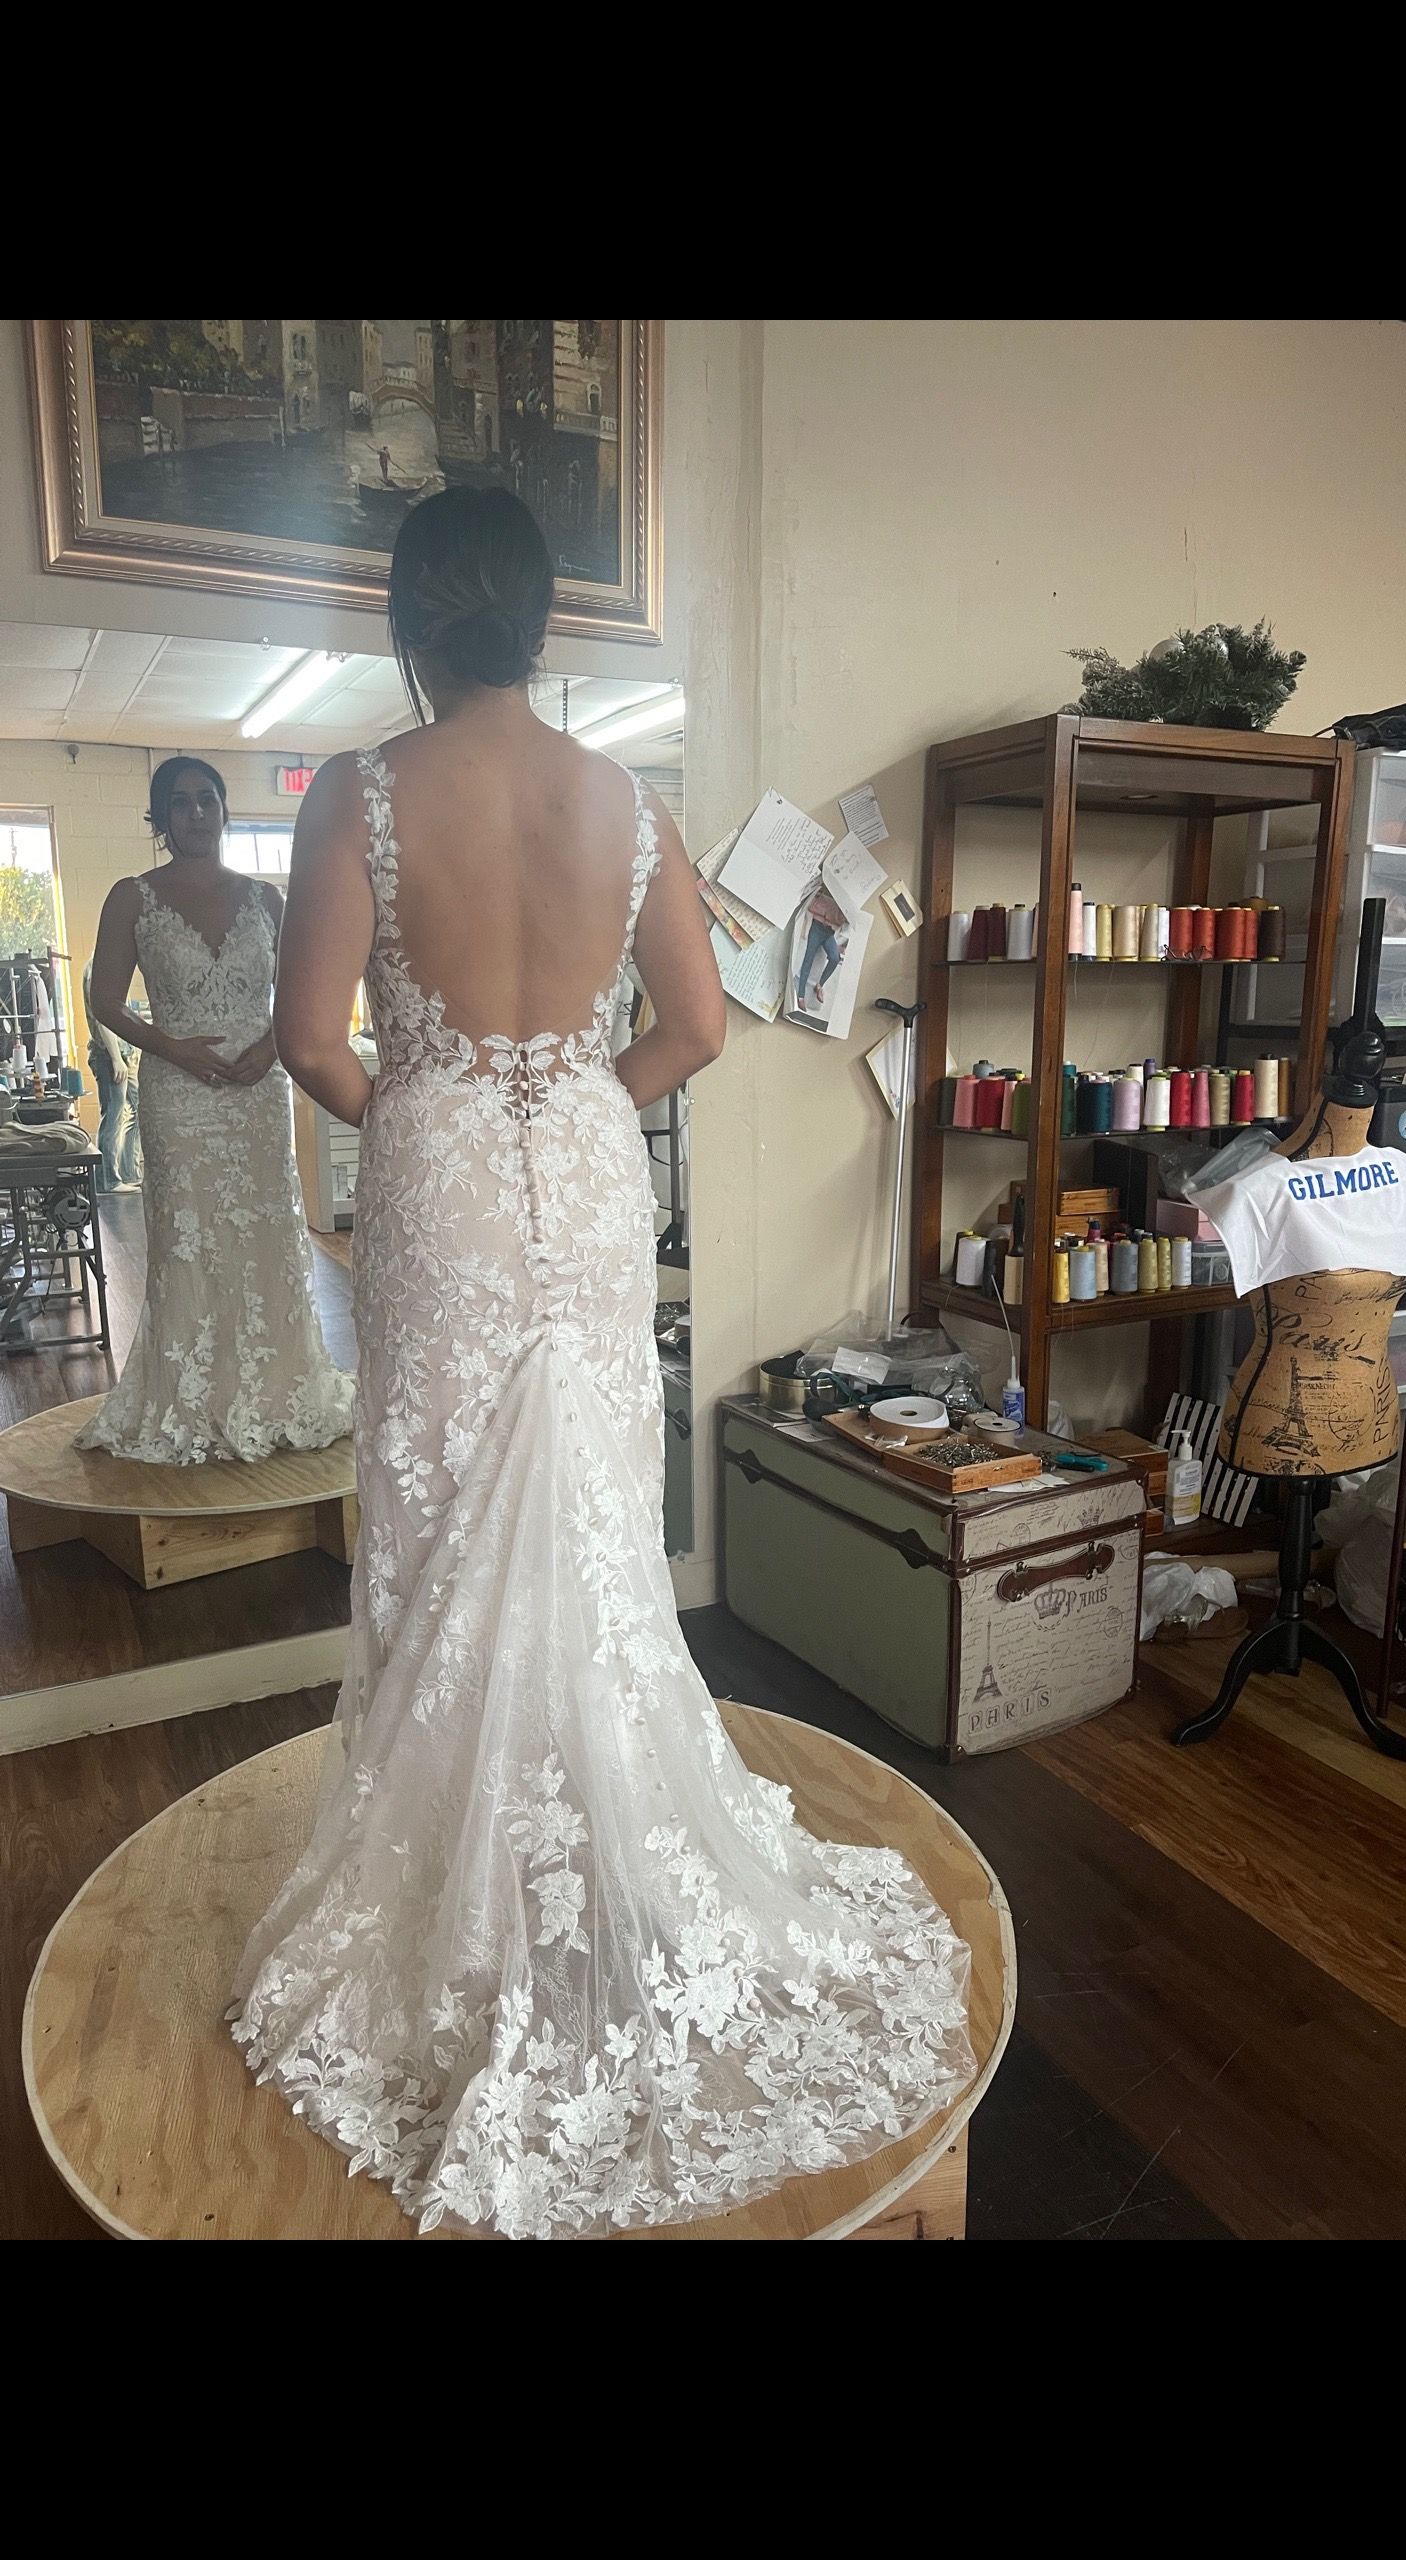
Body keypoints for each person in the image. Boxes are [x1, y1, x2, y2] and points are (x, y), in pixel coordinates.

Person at [229, 485, 974, 2241]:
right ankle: (608, 1875)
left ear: (415, 619)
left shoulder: (358, 790)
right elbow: (698, 1030)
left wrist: (426, 1113)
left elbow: (305, 1040)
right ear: (545, 621)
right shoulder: (631, 803)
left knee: (437, 1518)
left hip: (440, 1184)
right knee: (582, 1520)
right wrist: (566, 1100)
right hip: (581, 1172)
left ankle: (476, 1897)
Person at [77, 758, 353, 1465]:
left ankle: (276, 1389)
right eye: (180, 804)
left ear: (225, 810)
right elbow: (104, 998)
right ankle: (193, 1397)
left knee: (266, 1233)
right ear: (160, 819)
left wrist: (273, 1045)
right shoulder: (131, 897)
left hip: (257, 1089)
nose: (195, 814)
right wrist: (166, 1044)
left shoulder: (266, 898)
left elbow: (301, 989)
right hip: (179, 1093)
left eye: (207, 800)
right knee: (189, 1239)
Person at [82, 957, 142, 1192]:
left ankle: (128, 1171)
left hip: (124, 1052)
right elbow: (102, 1017)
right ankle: (108, 1180)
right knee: (114, 1114)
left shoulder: (111, 967)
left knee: (137, 1108)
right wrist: (116, 1057)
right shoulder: (98, 969)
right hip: (109, 1054)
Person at [796, 884, 847, 1014]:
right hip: (817, 927)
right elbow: (811, 906)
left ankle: (820, 985)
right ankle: (801, 995)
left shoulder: (844, 899)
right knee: (808, 960)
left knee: (835, 958)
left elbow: (843, 923)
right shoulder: (824, 891)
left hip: (829, 932)